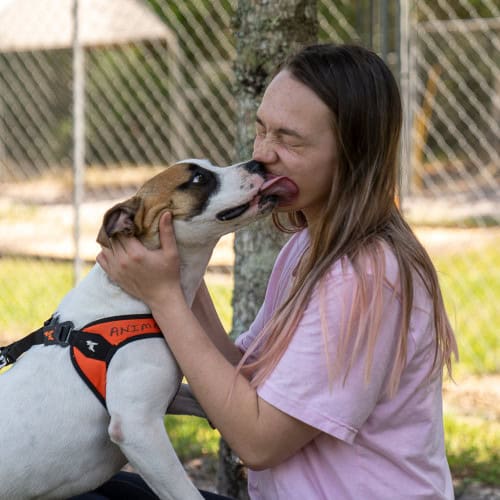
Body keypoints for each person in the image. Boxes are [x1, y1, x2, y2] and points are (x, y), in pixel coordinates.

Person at [88, 43, 458, 500]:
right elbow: (241, 380)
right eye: (261, 129)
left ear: (352, 152)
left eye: (289, 139)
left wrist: (165, 298)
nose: (262, 153)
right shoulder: (308, 247)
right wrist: (182, 269)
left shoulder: (366, 277)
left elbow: (258, 439)